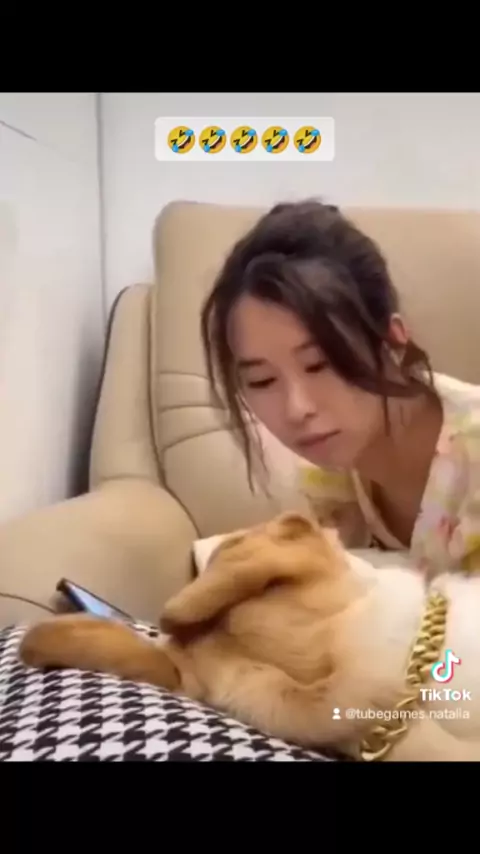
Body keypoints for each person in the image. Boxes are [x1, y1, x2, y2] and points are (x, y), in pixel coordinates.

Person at [200, 199, 480, 577]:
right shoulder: (329, 475)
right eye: (262, 380)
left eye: (321, 364)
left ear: (393, 340)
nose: (297, 409)